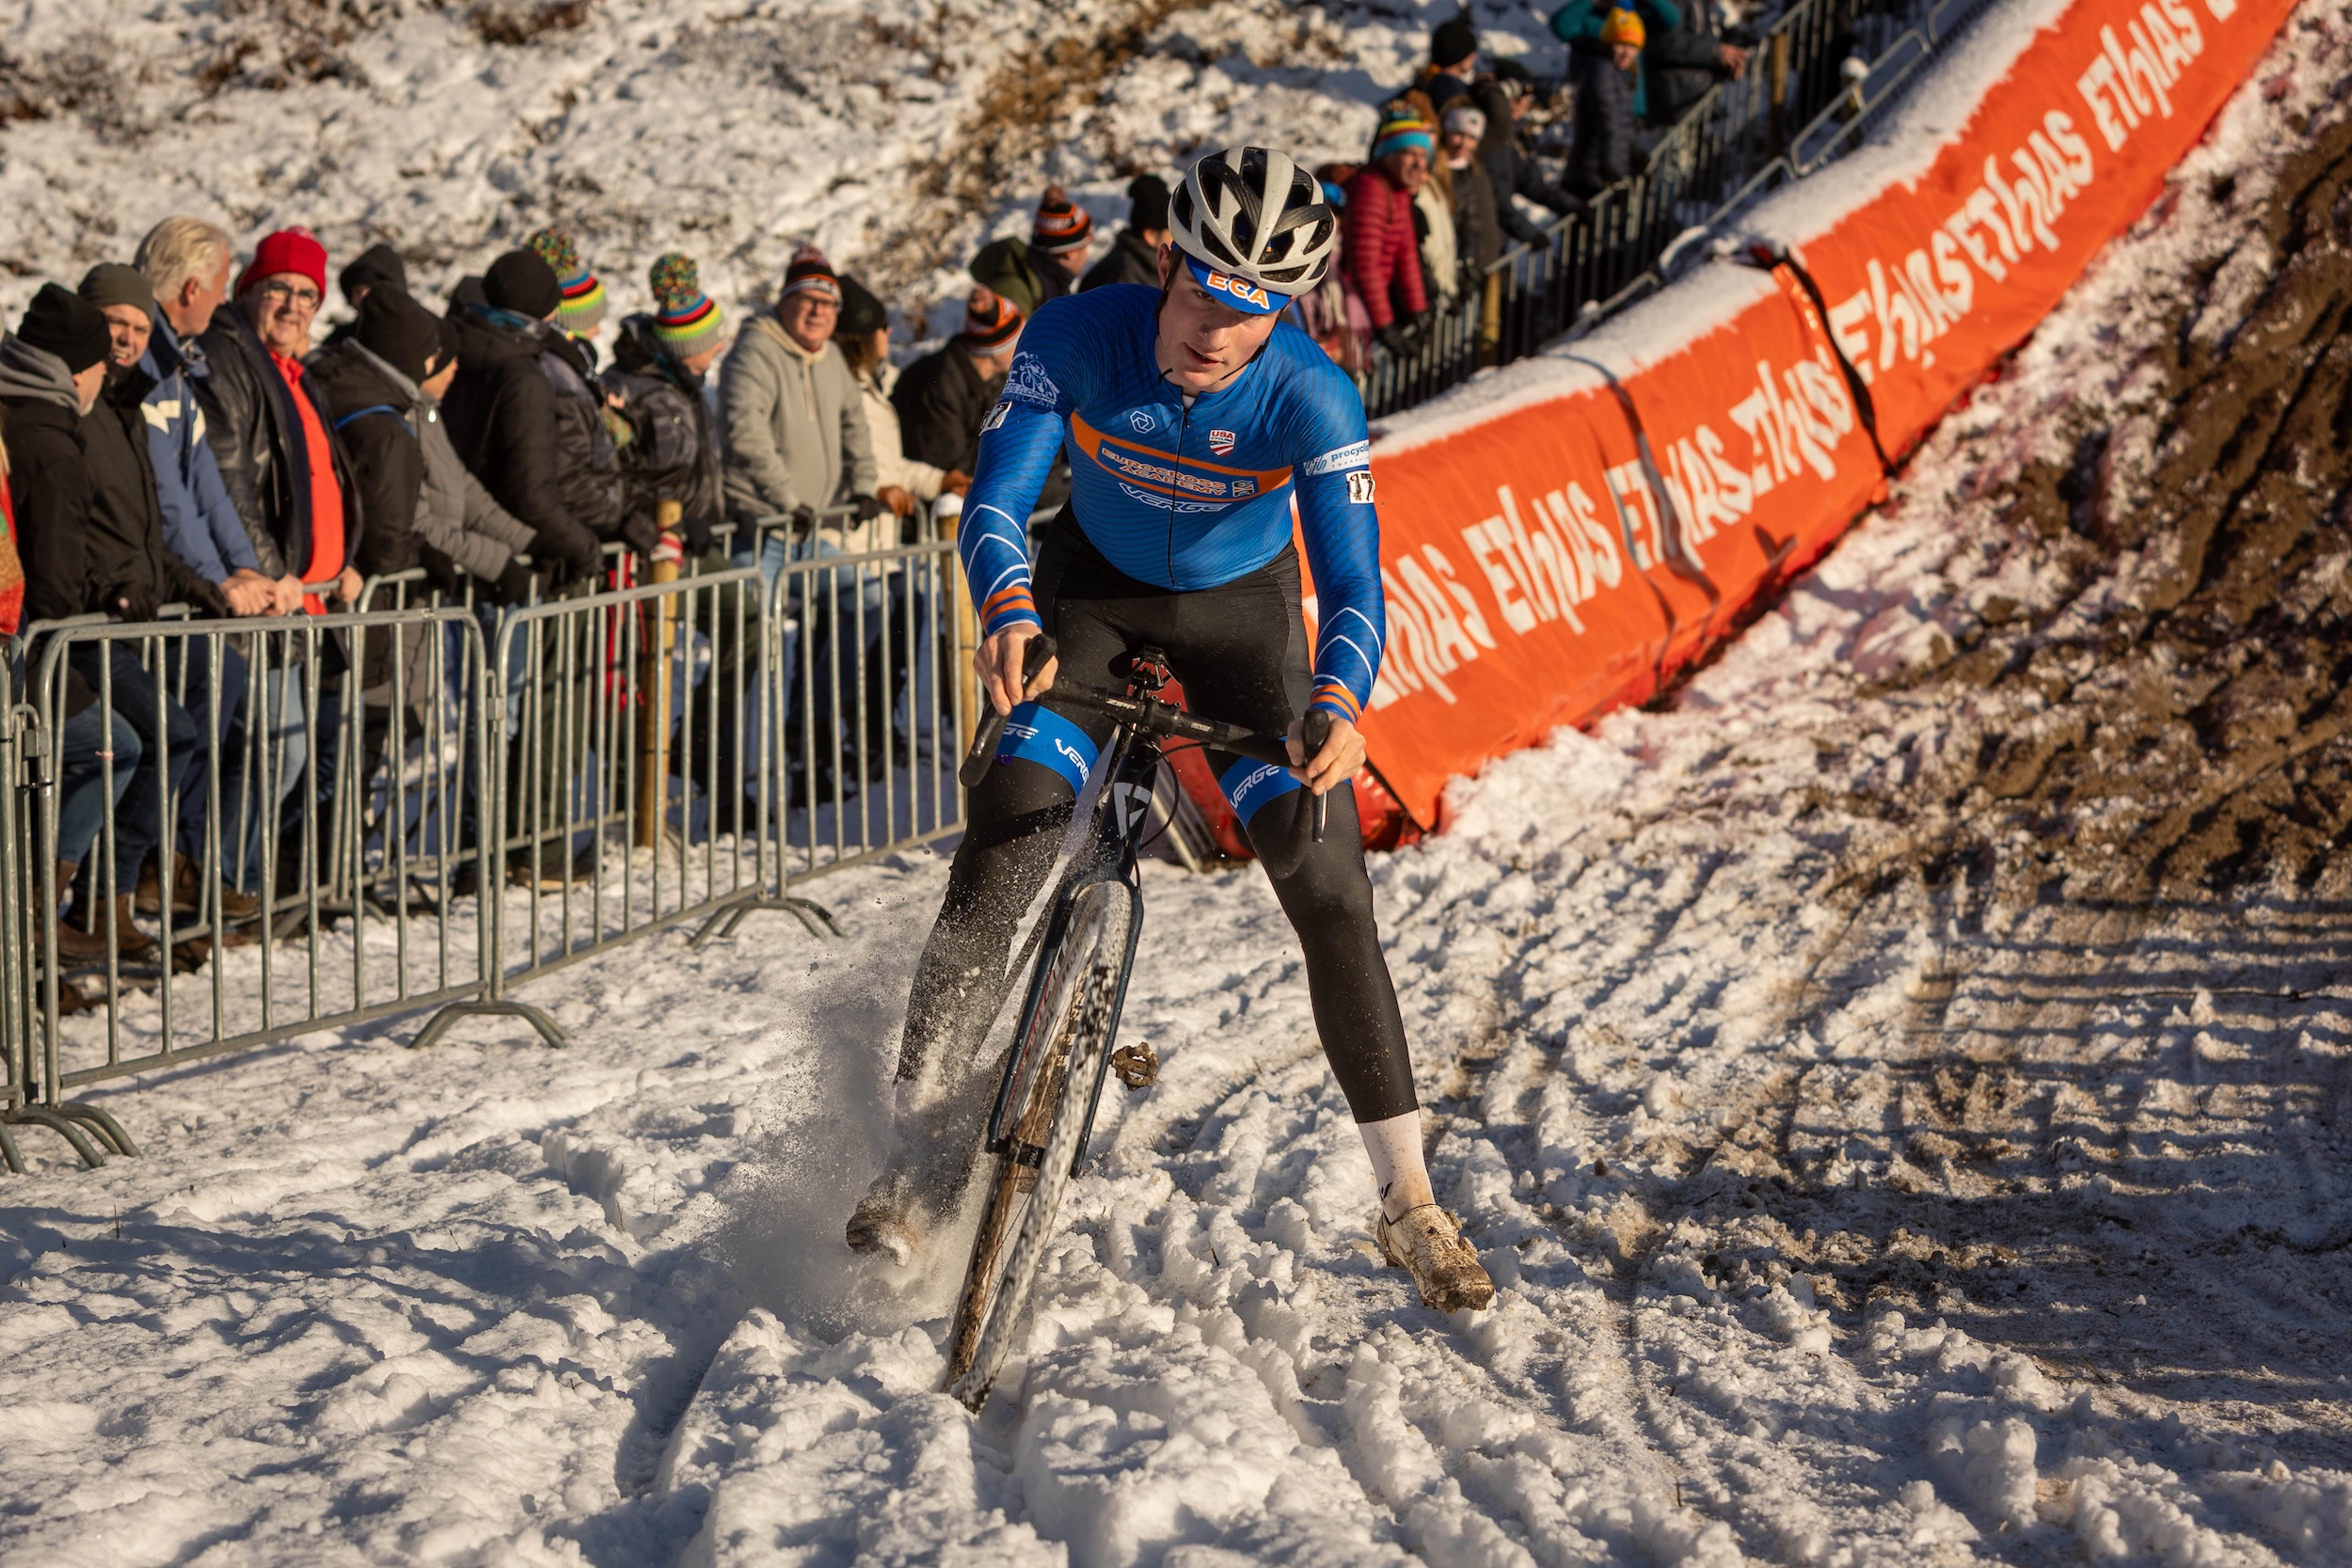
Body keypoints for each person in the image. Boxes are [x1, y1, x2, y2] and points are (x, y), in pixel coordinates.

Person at [849, 145, 1494, 1315]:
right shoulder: (1075, 334)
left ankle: (1407, 1195)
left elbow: (1353, 589)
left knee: (1324, 872)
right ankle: (912, 1151)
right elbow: (993, 499)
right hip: (1085, 592)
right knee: (1009, 836)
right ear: (1167, 261)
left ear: (1284, 312)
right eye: (1200, 295)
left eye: (1249, 316)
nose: (1213, 332)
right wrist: (1003, 611)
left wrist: (1341, 703)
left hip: (1241, 623)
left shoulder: (1311, 393)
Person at [6, 282, 220, 960]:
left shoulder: (108, 411)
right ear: (76, 365)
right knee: (122, 745)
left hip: (65, 631)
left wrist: (198, 583)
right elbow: (60, 568)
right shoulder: (57, 436)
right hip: (52, 642)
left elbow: (152, 528)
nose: (122, 348)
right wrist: (90, 608)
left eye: (138, 324)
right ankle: (48, 913)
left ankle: (79, 909)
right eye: (110, 333)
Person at [132, 217, 282, 618]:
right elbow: (167, 493)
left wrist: (245, 566)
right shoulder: (143, 366)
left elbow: (206, 480)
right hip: (162, 588)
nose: (222, 300)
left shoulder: (179, 364)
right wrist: (218, 581)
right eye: (220, 286)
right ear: (192, 288)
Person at [440, 249, 603, 586]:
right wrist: (582, 545)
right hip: (511, 560)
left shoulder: (462, 347)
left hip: (466, 543)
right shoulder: (525, 379)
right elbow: (530, 492)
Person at [720, 244, 882, 580]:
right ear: (784, 302)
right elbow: (746, 434)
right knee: (758, 629)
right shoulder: (754, 352)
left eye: (828, 304)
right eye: (807, 300)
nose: (818, 311)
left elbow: (856, 426)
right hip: (760, 530)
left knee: (872, 603)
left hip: (810, 531)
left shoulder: (832, 357)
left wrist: (865, 486)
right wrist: (787, 500)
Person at [607, 253, 727, 550]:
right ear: (687, 346)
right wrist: (678, 523)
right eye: (711, 337)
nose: (720, 345)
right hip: (659, 545)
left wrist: (725, 511)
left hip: (698, 537)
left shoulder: (688, 388)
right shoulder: (632, 390)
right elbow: (624, 475)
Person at [891, 287, 1021, 480]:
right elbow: (951, 464)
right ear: (996, 347)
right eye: (1020, 340)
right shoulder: (940, 383)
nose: (1027, 347)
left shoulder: (994, 378)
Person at [1344, 105, 1436, 357]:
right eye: (1410, 154)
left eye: (1423, 155)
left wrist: (1418, 309)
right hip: (1351, 309)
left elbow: (1407, 255)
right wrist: (1385, 326)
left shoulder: (1398, 190)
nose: (1419, 164)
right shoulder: (1371, 188)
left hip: (1368, 305)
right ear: (1387, 154)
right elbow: (1365, 265)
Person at [1470, 62, 1584, 248]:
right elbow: (1497, 199)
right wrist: (1529, 234)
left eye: (1526, 97)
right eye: (1516, 96)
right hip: (1482, 243)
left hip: (1495, 241)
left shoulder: (1507, 139)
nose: (1522, 103)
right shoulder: (1490, 138)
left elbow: (1531, 182)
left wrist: (1573, 206)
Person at [1565, 9, 1647, 198]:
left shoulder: (1616, 73)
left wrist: (1633, 153)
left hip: (1600, 170)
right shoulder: (1601, 70)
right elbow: (1608, 122)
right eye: (1620, 43)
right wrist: (1615, 171)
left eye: (1632, 45)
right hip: (1592, 174)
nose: (1626, 52)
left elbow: (1622, 124)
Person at [1640, 0, 1748, 127]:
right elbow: (1667, 44)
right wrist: (1716, 52)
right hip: (1674, 104)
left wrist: (1727, 62)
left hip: (1696, 103)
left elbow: (1703, 43)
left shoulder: (1700, 4)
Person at [1079, 176, 1170, 293]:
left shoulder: (1143, 266)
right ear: (1151, 235)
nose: (1179, 241)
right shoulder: (1124, 277)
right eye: (1173, 234)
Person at [320, 244, 406, 350]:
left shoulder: (418, 335)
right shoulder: (341, 339)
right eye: (357, 291)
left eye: (372, 291)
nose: (363, 297)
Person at [1424, 14, 1480, 110]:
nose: (1475, 56)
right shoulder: (1454, 92)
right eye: (1470, 53)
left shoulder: (1425, 83)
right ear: (1459, 55)